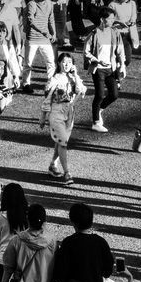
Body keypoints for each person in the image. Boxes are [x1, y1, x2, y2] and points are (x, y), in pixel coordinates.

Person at [40, 51, 86, 185]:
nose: (66, 65)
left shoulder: (73, 78)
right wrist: (43, 116)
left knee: (61, 141)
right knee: (63, 142)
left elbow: (81, 90)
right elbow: (47, 99)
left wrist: (76, 74)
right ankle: (67, 173)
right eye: (64, 62)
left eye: (69, 63)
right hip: (56, 112)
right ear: (59, 63)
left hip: (70, 113)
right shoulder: (54, 79)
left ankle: (53, 165)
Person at [52, 203, 115, 282]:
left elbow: (62, 269)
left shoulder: (69, 242)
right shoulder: (101, 242)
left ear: (73, 222)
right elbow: (107, 270)